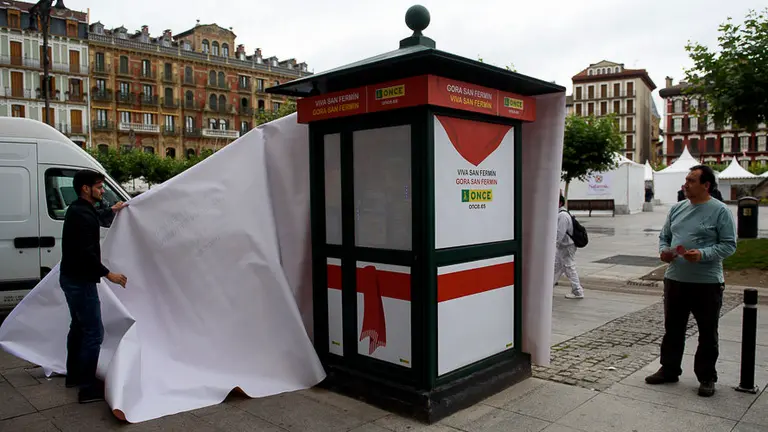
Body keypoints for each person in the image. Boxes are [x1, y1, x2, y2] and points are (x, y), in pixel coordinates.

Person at [646, 165, 736, 397]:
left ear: (706, 185)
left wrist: (703, 254)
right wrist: (664, 251)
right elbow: (664, 236)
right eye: (686, 180)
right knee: (673, 328)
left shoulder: (720, 211)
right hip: (675, 279)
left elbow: (729, 244)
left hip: (706, 283)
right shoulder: (677, 209)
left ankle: (706, 377)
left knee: (708, 331)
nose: (685, 184)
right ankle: (669, 369)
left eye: (691, 180)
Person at [60, 170, 128, 403]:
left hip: (71, 278)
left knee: (78, 327)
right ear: (85, 189)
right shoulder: (83, 216)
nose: (102, 191)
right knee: (94, 333)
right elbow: (86, 255)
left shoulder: (78, 210)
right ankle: (87, 388)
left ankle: (74, 376)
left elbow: (95, 216)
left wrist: (112, 210)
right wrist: (110, 274)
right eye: (98, 187)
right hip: (80, 281)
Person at [555, 195, 584, 299]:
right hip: (564, 246)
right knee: (557, 266)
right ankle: (548, 287)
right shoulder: (561, 214)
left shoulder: (562, 216)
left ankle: (578, 291)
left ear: (559, 203)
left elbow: (559, 233)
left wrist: (554, 245)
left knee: (569, 267)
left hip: (566, 246)